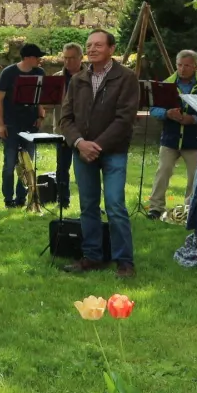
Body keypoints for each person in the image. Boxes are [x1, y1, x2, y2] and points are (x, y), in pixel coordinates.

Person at [59, 29, 140, 278]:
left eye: (98, 45)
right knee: (88, 206)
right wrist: (80, 143)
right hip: (82, 152)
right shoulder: (77, 80)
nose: (92, 49)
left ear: (112, 49)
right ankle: (92, 257)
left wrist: (97, 145)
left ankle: (124, 262)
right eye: (89, 45)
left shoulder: (126, 78)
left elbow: (124, 119)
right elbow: (66, 118)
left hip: (113, 151)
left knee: (115, 204)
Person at [147, 50, 197, 219]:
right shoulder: (167, 84)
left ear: (196, 66)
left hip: (195, 139)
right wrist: (167, 113)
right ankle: (155, 208)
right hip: (170, 138)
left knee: (195, 176)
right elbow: (153, 108)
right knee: (163, 172)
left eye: (187, 65)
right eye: (179, 65)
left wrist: (194, 119)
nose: (182, 69)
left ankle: (191, 209)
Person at [0, 43, 44, 208]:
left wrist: (40, 115)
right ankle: (8, 199)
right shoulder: (8, 73)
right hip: (11, 124)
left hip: (30, 124)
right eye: (37, 57)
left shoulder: (40, 73)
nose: (40, 60)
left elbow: (40, 98)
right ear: (29, 58)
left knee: (27, 165)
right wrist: (1, 125)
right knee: (10, 164)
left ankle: (22, 198)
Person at [55, 43, 84, 208]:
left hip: (85, 130)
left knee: (87, 170)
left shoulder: (92, 76)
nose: (68, 61)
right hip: (63, 129)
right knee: (62, 168)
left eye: (72, 58)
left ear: (81, 58)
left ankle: (88, 202)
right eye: (65, 58)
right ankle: (62, 201)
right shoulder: (57, 77)